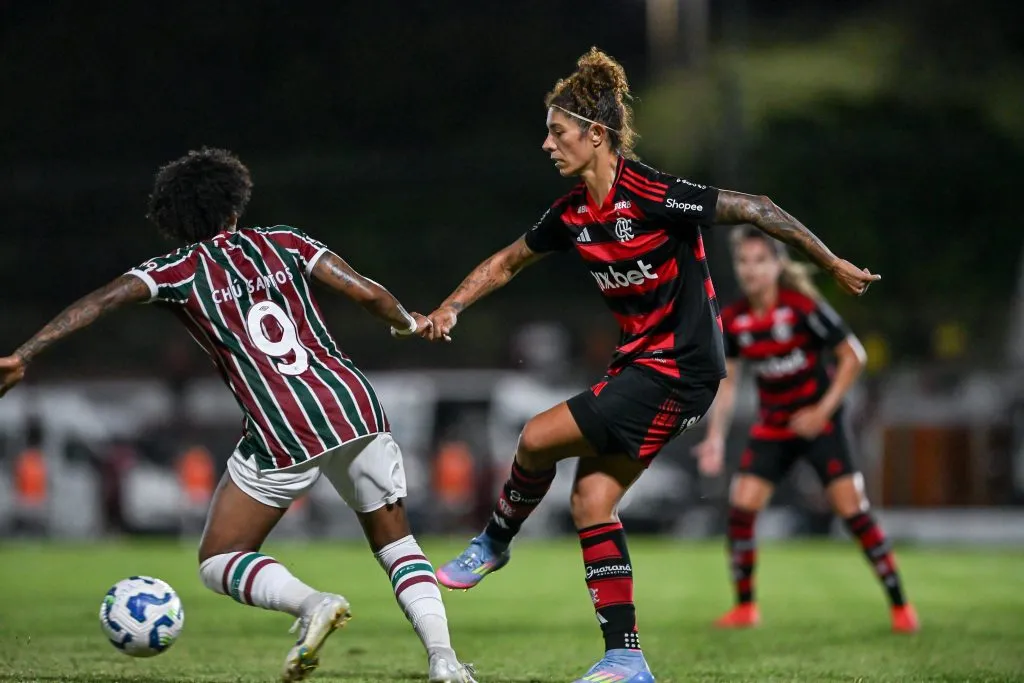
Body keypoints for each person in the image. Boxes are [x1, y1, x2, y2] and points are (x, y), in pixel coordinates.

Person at [419, 48, 880, 683]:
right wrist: (450, 307)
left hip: (682, 368)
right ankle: (625, 658)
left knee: (536, 437)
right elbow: (506, 261)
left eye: (557, 132)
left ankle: (495, 541)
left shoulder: (655, 194)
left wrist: (829, 263)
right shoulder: (572, 215)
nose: (546, 145)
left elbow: (757, 206)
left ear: (595, 134)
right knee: (592, 499)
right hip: (641, 366)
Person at [0, 148, 475, 683]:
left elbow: (99, 302)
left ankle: (312, 603)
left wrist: (26, 354)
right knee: (397, 544)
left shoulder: (176, 270)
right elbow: (366, 293)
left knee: (220, 557)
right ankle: (445, 662)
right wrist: (410, 324)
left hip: (282, 425)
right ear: (233, 206)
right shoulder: (285, 242)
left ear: (172, 219)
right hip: (351, 403)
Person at [691, 226, 919, 633]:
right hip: (773, 427)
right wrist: (714, 438)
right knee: (741, 507)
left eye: (760, 260)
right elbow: (729, 381)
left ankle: (900, 606)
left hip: (822, 425)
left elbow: (853, 356)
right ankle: (745, 608)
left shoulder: (801, 308)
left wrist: (821, 411)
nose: (751, 270)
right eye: (744, 261)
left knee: (853, 512)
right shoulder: (735, 320)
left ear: (778, 266)